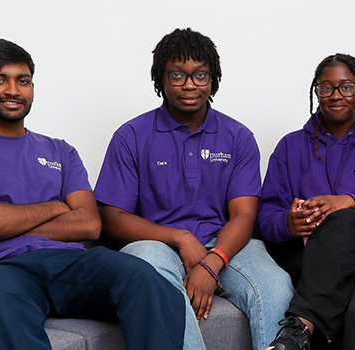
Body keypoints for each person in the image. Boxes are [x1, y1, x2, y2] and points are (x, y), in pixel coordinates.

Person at [0, 38, 185, 350]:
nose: (13, 90)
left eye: (23, 81)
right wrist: (57, 206)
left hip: (68, 263)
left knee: (145, 278)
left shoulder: (61, 151)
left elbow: (89, 224)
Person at [94, 28, 293, 350]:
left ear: (213, 78)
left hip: (225, 243)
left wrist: (212, 262)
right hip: (155, 243)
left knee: (276, 285)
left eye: (200, 75)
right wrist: (180, 238)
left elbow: (244, 215)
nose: (190, 85)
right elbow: (113, 217)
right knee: (150, 275)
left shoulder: (237, 136)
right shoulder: (131, 135)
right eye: (178, 75)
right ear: (161, 78)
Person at [259, 53, 355, 350]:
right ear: (316, 92)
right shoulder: (290, 146)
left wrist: (350, 201)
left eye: (346, 87)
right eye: (326, 88)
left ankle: (299, 327)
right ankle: (304, 332)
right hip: (307, 256)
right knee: (323, 268)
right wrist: (289, 223)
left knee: (346, 221)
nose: (335, 95)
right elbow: (265, 216)